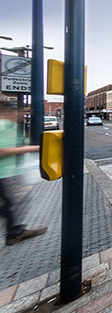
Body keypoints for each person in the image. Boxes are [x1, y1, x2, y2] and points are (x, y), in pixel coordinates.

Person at [0, 101, 47, 245]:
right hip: (3, 172)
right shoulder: (2, 126)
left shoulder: (11, 126)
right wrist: (31, 149)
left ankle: (14, 230)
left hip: (9, 172)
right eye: (16, 111)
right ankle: (14, 232)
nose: (19, 114)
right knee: (11, 203)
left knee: (10, 202)